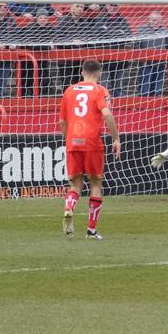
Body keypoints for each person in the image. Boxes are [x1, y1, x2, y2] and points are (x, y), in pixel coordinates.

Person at [59, 60, 121, 240]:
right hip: (92, 142)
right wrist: (116, 138)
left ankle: (69, 207)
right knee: (95, 184)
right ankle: (91, 231)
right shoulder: (100, 91)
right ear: (99, 73)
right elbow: (107, 114)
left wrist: (68, 138)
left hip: (73, 141)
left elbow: (62, 122)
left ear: (81, 72)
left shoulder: (69, 91)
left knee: (75, 184)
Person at [136, 11, 168, 96]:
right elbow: (136, 45)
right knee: (145, 87)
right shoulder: (141, 30)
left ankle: (156, 106)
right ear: (149, 20)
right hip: (146, 63)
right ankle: (143, 105)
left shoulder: (165, 31)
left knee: (157, 89)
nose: (156, 22)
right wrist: (140, 58)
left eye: (158, 21)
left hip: (161, 63)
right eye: (154, 20)